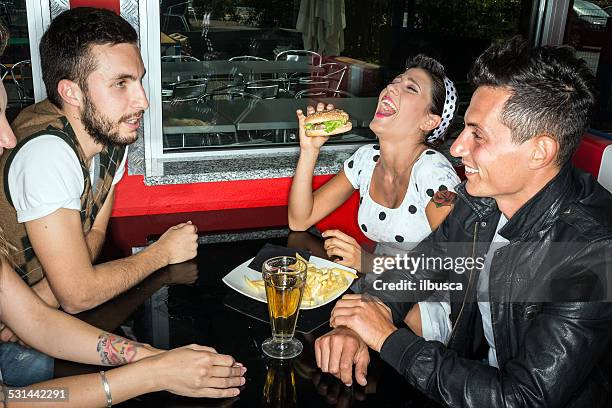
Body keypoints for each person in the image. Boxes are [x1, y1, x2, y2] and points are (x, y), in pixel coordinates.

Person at [315, 37, 612, 407]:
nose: (456, 148)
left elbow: (523, 398)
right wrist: (358, 324)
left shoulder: (592, 251)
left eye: (478, 135)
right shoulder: (477, 200)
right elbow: (420, 267)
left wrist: (388, 339)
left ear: (540, 151)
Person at [0, 25, 245, 405]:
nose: (9, 139)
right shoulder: (46, 152)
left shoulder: (109, 134)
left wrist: (154, 358)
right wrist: (150, 373)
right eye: (121, 83)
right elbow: (17, 401)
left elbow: (39, 321)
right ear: (71, 92)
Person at [288, 55, 461, 273]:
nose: (392, 88)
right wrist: (309, 150)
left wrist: (369, 262)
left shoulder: (435, 174)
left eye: (410, 88)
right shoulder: (366, 160)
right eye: (395, 81)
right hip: (377, 286)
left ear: (429, 121)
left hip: (423, 297)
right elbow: (299, 220)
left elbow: (455, 261)